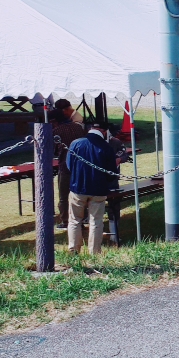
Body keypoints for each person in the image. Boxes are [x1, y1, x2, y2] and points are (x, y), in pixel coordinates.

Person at [66, 122, 124, 253]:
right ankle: (94, 252)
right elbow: (111, 173)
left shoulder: (76, 143)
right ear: (104, 132)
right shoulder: (106, 147)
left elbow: (69, 165)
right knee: (96, 221)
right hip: (98, 189)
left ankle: (73, 250)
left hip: (78, 188)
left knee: (75, 220)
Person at [51, 99, 88, 229]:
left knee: (64, 196)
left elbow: (54, 150)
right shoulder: (78, 127)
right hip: (80, 165)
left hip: (65, 165)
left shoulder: (56, 132)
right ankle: (83, 216)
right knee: (81, 192)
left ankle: (66, 220)